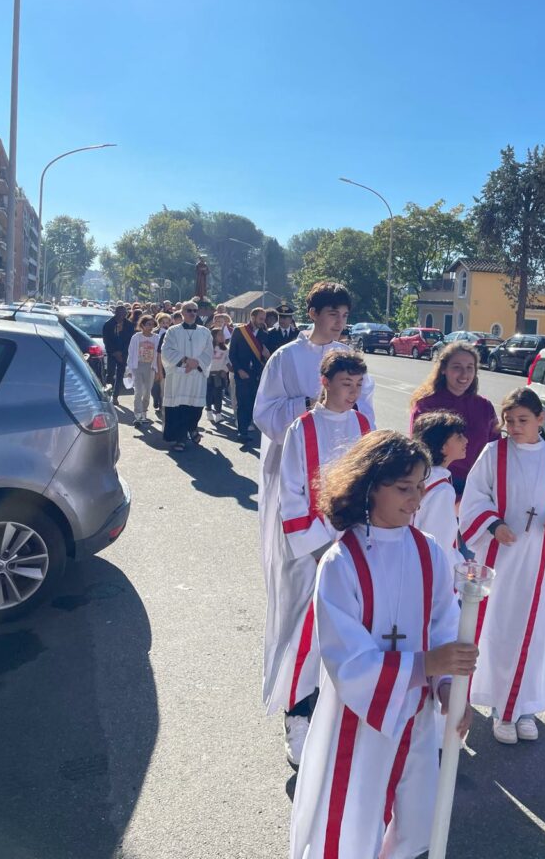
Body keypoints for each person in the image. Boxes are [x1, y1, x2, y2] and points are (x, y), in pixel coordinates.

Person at [289, 430, 476, 859]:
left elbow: (444, 624)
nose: (416, 500)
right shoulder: (342, 562)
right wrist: (426, 664)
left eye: (420, 488)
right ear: (370, 487)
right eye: (403, 488)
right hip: (360, 719)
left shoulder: (430, 552)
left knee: (417, 818)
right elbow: (346, 659)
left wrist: (448, 684)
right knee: (350, 821)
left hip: (418, 714)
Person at [459, 387, 545, 745]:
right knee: (498, 631)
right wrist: (494, 525)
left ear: (542, 419)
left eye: (522, 420)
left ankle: (524, 707)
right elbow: (474, 497)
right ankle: (500, 706)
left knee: (534, 633)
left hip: (538, 563)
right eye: (509, 420)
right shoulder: (494, 453)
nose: (513, 427)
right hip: (500, 558)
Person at [269, 350, 374, 765]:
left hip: (353, 545)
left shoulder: (364, 424)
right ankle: (297, 713)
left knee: (349, 628)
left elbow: (371, 483)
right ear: (325, 382)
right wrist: (317, 548)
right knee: (305, 631)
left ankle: (341, 712)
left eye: (358, 386)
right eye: (346, 384)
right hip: (311, 549)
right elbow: (291, 493)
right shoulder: (302, 429)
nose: (353, 393)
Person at [410, 342, 500, 496]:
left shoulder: (484, 406)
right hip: (440, 485)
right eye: (457, 367)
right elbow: (419, 452)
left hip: (479, 486)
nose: (464, 374)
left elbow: (496, 448)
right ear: (444, 369)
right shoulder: (426, 405)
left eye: (470, 367)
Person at [410, 409, 467, 567]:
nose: (466, 441)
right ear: (442, 447)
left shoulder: (420, 476)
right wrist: (460, 564)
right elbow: (439, 545)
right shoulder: (442, 490)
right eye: (459, 437)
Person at [161, 301, 214, 452]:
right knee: (179, 408)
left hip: (196, 374)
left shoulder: (205, 332)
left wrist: (196, 363)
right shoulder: (172, 331)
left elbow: (208, 352)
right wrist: (185, 360)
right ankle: (180, 437)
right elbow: (166, 351)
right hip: (179, 376)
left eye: (195, 311)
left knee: (195, 407)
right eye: (189, 310)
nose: (192, 313)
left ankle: (193, 428)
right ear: (182, 313)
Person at [229, 307, 269, 442]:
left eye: (264, 319)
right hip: (242, 373)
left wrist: (266, 356)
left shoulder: (264, 333)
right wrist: (239, 370)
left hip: (257, 374)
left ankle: (250, 425)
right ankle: (242, 431)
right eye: (261, 319)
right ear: (252, 317)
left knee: (253, 402)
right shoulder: (239, 331)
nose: (263, 321)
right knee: (242, 403)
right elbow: (232, 354)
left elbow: (265, 357)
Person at [126, 315, 160, 428]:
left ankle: (144, 411)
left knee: (146, 392)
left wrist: (158, 370)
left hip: (150, 367)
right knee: (138, 391)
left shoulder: (156, 338)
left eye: (152, 324)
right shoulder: (136, 337)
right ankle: (137, 415)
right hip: (137, 366)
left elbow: (159, 355)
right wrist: (129, 369)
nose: (150, 327)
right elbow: (131, 353)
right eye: (148, 324)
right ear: (142, 325)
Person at [102, 304, 135, 404]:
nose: (122, 315)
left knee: (120, 375)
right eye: (119, 313)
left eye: (124, 313)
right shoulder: (108, 324)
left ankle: (115, 396)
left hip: (123, 353)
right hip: (112, 353)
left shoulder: (129, 325)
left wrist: (122, 353)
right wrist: (114, 352)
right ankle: (108, 394)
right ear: (115, 313)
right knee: (110, 374)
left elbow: (129, 341)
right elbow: (106, 340)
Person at [205, 326, 229, 425]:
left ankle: (218, 413)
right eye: (219, 334)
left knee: (218, 394)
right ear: (213, 336)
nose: (222, 336)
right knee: (209, 394)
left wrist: (225, 370)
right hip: (208, 375)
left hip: (219, 375)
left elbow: (227, 360)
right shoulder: (208, 348)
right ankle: (209, 410)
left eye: (222, 334)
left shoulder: (225, 349)